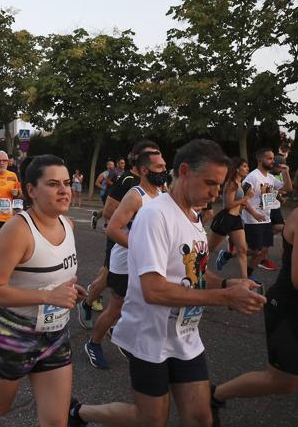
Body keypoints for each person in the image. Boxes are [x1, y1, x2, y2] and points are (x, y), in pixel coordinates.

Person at [69, 139, 266, 427]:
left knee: (200, 417)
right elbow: (154, 290)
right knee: (151, 418)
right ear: (184, 171)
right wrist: (225, 298)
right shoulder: (154, 215)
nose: (215, 192)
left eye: (219, 184)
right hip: (150, 335)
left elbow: (193, 273)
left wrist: (225, 285)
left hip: (184, 333)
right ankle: (80, 413)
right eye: (209, 182)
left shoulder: (194, 216)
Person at [0, 155, 87, 427]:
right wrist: (48, 296)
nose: (64, 190)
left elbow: (51, 277)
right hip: (12, 335)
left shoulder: (69, 225)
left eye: (66, 182)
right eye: (53, 184)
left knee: (56, 421)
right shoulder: (17, 230)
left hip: (55, 335)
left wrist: (71, 289)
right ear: (31, 190)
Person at [210, 166, 298, 426]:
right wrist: (247, 204)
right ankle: (214, 395)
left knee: (254, 250)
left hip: (258, 219)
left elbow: (281, 189)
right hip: (293, 309)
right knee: (283, 381)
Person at [84, 149, 165, 370]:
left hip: (147, 261)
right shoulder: (135, 195)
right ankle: (94, 344)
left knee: (144, 304)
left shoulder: (161, 195)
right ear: (145, 170)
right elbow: (113, 229)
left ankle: (124, 337)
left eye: (164, 166)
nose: (164, 170)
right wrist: (142, 249)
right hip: (125, 260)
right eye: (159, 167)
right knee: (116, 307)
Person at [77, 141, 160, 330]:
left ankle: (119, 323)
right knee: (109, 276)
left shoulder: (157, 183)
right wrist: (134, 219)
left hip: (142, 242)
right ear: (139, 160)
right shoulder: (127, 180)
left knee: (127, 281)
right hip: (121, 238)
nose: (156, 159)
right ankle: (87, 303)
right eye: (151, 155)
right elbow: (108, 211)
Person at [241, 148, 292, 278]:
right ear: (260, 159)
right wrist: (254, 214)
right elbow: (242, 200)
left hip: (266, 219)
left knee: (263, 251)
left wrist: (286, 172)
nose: (272, 161)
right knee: (255, 250)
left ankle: (247, 277)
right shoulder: (252, 177)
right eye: (269, 158)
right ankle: (230, 253)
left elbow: (288, 188)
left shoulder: (270, 177)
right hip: (253, 220)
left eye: (273, 159)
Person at [212, 158, 254, 278]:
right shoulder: (232, 183)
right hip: (226, 219)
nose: (247, 169)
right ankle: (198, 271)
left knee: (242, 250)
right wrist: (246, 198)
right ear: (237, 168)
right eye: (245, 166)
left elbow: (237, 203)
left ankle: (245, 280)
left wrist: (243, 203)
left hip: (236, 219)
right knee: (209, 249)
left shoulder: (241, 183)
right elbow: (228, 205)